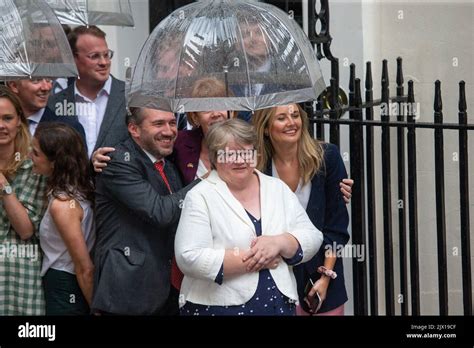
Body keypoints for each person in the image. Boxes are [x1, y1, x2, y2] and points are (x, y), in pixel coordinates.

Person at [175, 119, 323, 315]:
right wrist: (254, 260)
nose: (240, 160)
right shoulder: (200, 196)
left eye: (246, 152)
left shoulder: (277, 188)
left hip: (278, 306)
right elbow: (189, 257)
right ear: (214, 157)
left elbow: (313, 236)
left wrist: (280, 243)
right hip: (218, 308)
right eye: (230, 154)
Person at [91, 107, 201, 315]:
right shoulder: (117, 162)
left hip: (166, 291)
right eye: (158, 124)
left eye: (171, 122)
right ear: (134, 129)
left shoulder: (166, 164)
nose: (169, 131)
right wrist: (204, 182)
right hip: (127, 292)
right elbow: (160, 212)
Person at [253, 103, 350, 315]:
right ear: (267, 128)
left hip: (324, 273)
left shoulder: (327, 157)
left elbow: (337, 225)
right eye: (281, 118)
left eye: (295, 115)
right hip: (278, 276)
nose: (291, 123)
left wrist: (325, 277)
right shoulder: (258, 166)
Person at [30, 123, 95, 315]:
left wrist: (96, 309)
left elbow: (84, 268)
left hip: (66, 285)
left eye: (35, 153)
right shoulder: (81, 188)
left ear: (54, 162)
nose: (30, 158)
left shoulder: (63, 205)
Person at [0, 86, 47, 315]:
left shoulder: (32, 164)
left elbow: (26, 229)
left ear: (19, 120)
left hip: (19, 274)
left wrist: (3, 184)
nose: (1, 125)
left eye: (7, 118)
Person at [48, 25, 128, 158]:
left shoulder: (130, 96)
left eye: (107, 55)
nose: (104, 62)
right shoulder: (55, 104)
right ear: (73, 59)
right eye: (94, 56)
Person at [6, 78, 85, 139]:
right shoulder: (4, 125)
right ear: (14, 86)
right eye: (36, 80)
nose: (46, 87)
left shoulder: (69, 128)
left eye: (48, 79)